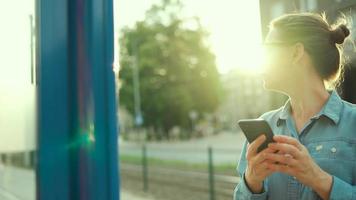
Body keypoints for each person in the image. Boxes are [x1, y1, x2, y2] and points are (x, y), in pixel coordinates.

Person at [233, 13, 356, 200]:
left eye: (268, 49)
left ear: (296, 52)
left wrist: (318, 178)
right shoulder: (265, 124)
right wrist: (252, 182)